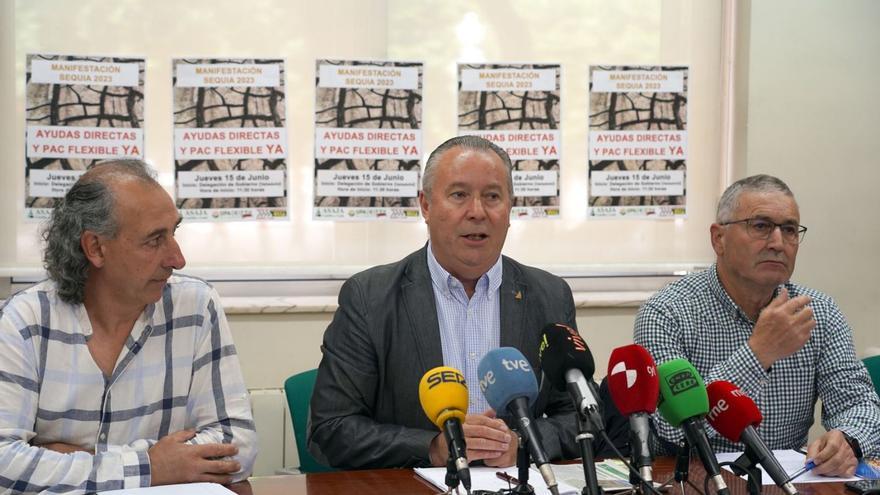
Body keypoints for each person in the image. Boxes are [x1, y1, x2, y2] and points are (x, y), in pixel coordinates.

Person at [308, 135, 605, 470]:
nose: (477, 212)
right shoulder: (370, 297)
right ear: (426, 205)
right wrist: (433, 447)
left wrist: (522, 441)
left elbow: (585, 416)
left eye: (492, 196)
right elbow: (331, 428)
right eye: (459, 195)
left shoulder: (548, 295)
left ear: (510, 208)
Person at [0, 160, 257, 493]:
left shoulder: (195, 306)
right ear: (95, 247)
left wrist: (76, 460)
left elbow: (238, 444)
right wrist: (151, 465)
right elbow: (4, 464)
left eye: (173, 233)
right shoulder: (25, 322)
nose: (177, 259)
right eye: (154, 240)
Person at [634, 174, 879, 476]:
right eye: (761, 226)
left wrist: (848, 440)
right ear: (718, 239)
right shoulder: (666, 312)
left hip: (789, 481)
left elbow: (859, 403)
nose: (778, 243)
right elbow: (669, 430)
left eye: (789, 230)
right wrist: (757, 353)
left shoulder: (819, 312)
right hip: (693, 480)